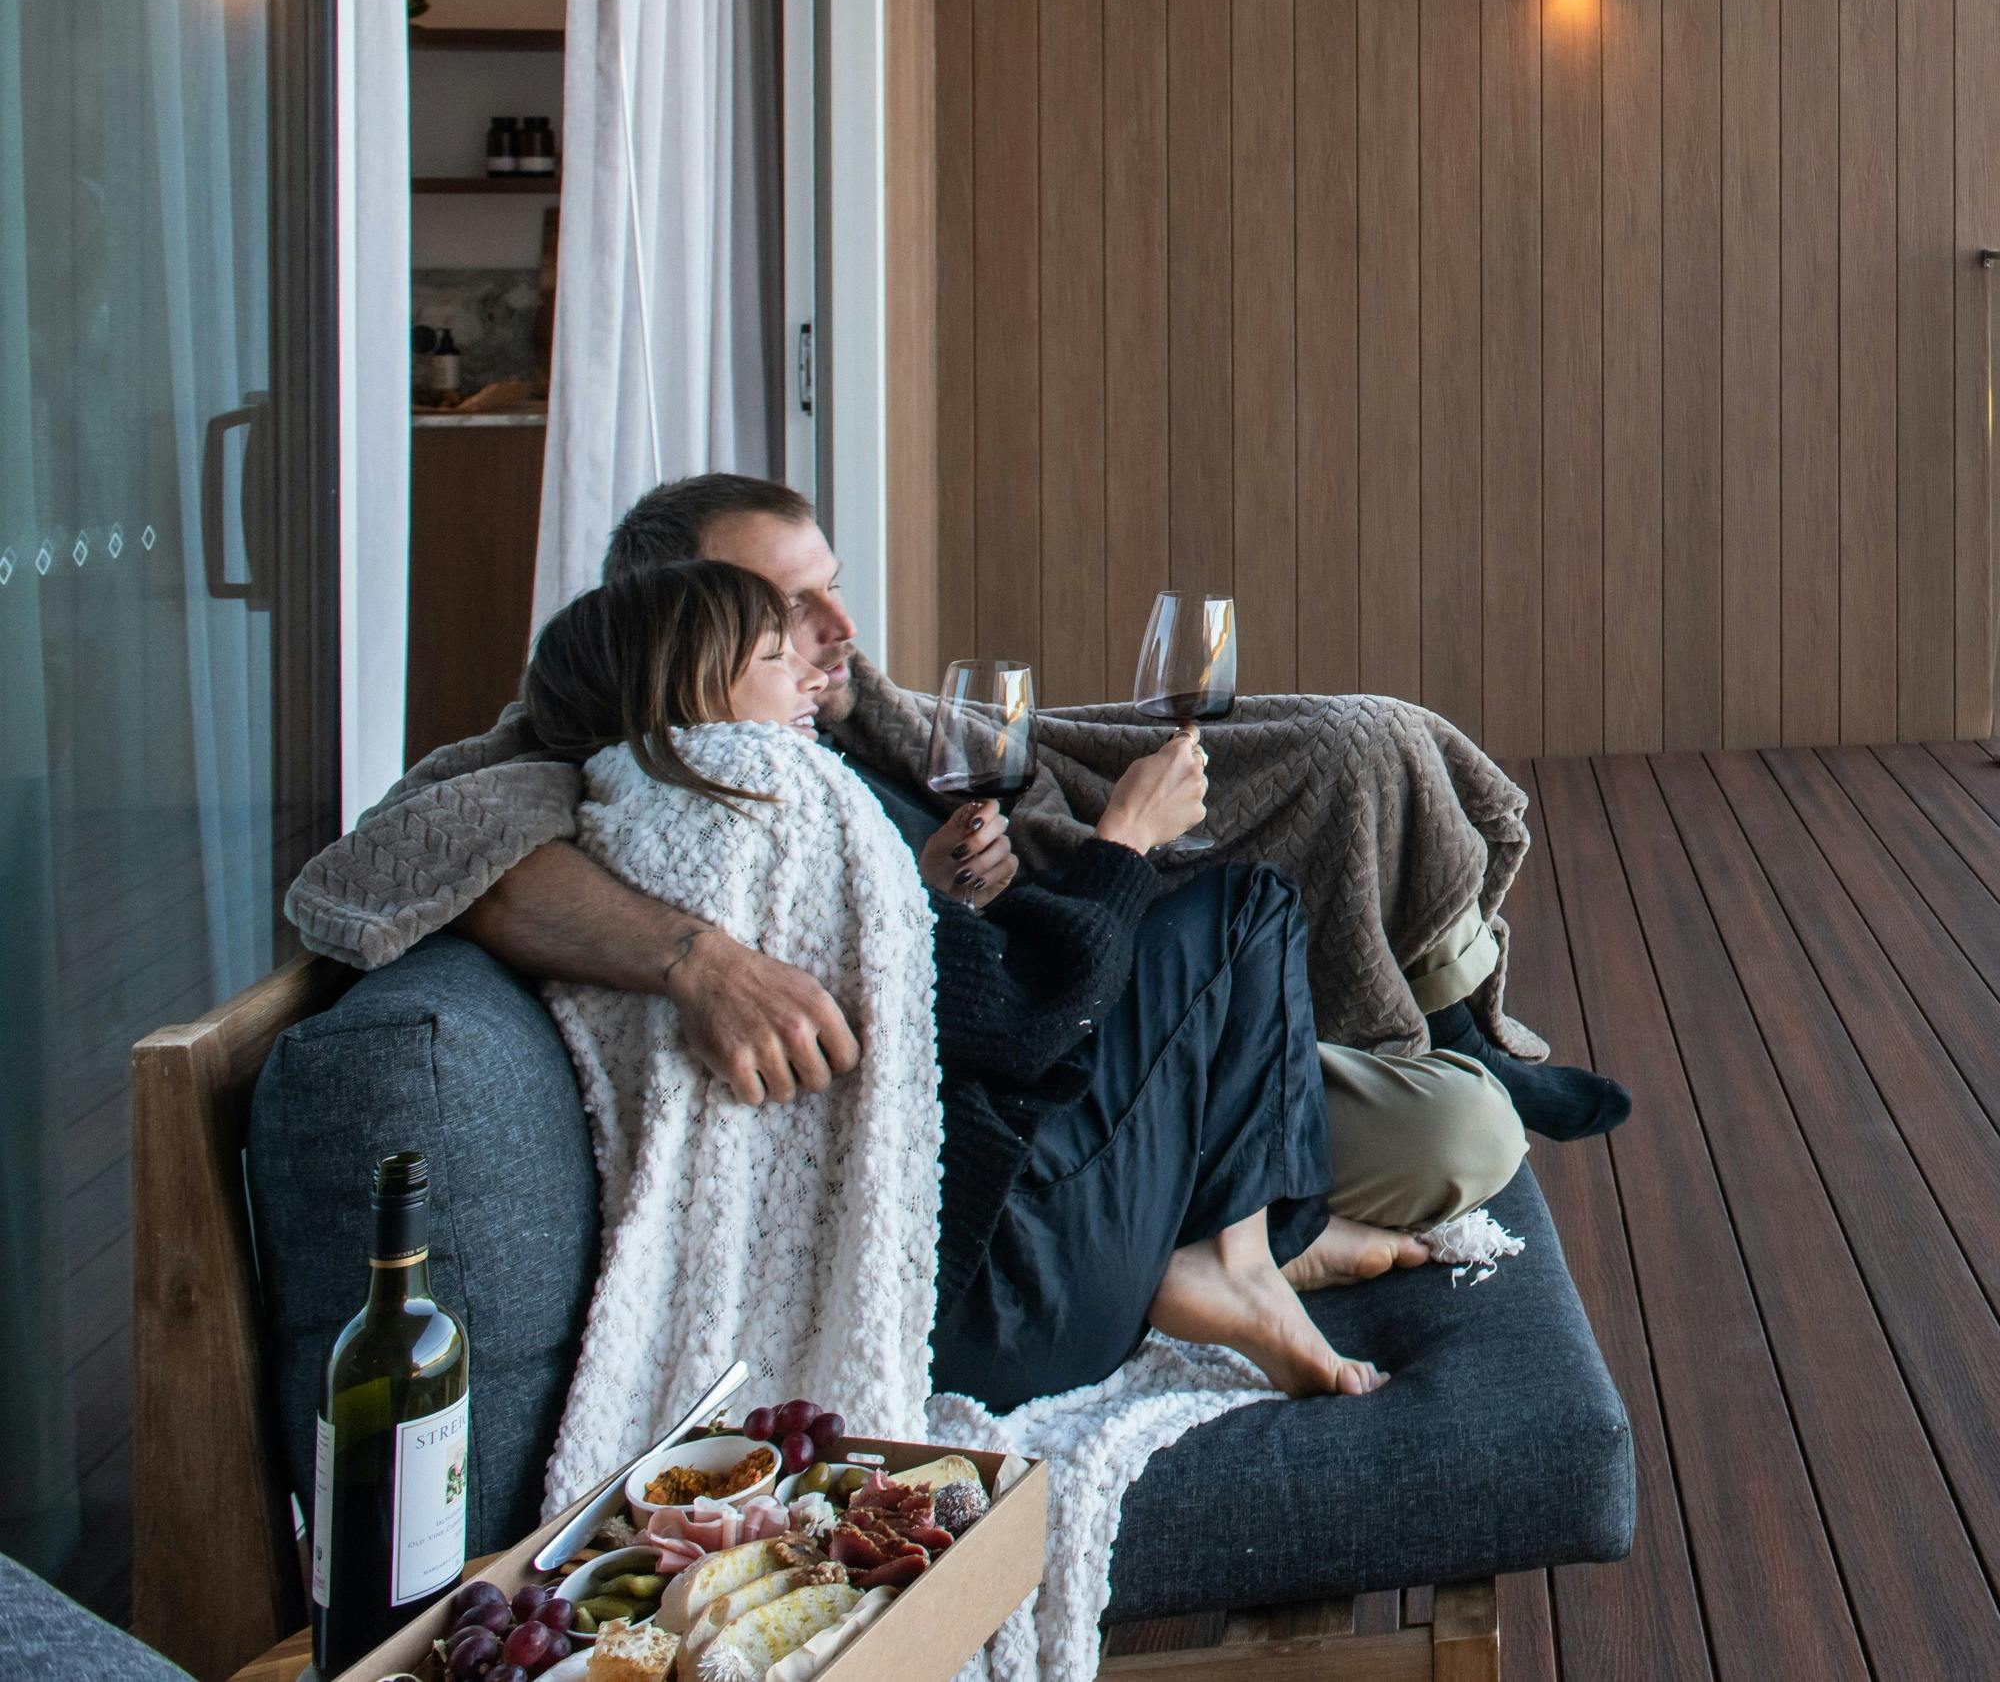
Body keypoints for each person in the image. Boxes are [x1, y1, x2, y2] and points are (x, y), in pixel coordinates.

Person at [287, 479, 1626, 1295]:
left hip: (1076, 1035)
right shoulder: (602, 768)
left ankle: (1437, 1042)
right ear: (680, 621)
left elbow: (935, 901)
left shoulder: (813, 731)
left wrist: (957, 880)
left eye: (833, 589)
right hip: (1040, 1107)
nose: (837, 637)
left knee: (1355, 743)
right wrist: (700, 961)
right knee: (1458, 1141)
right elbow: (433, 845)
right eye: (785, 611)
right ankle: (1256, 1231)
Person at [518, 560, 1378, 1401]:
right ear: (694, 689)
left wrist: (928, 901)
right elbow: (1029, 1022)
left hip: (945, 1284)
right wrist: (1121, 838)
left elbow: (902, 1008)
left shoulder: (626, 818)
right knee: (1246, 908)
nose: (817, 675)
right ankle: (1236, 1258)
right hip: (1005, 1294)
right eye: (779, 657)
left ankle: (1255, 1241)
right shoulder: (778, 796)